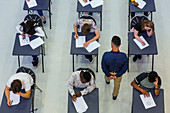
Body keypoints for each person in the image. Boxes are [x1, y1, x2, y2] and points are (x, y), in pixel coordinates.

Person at [101, 36, 128, 100]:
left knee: (107, 77)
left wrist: (108, 75)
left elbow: (103, 67)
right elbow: (125, 68)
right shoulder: (123, 56)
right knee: (117, 85)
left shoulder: (106, 55)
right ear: (120, 44)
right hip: (118, 73)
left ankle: (107, 81)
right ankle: (114, 95)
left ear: (111, 44)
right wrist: (117, 75)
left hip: (108, 72)